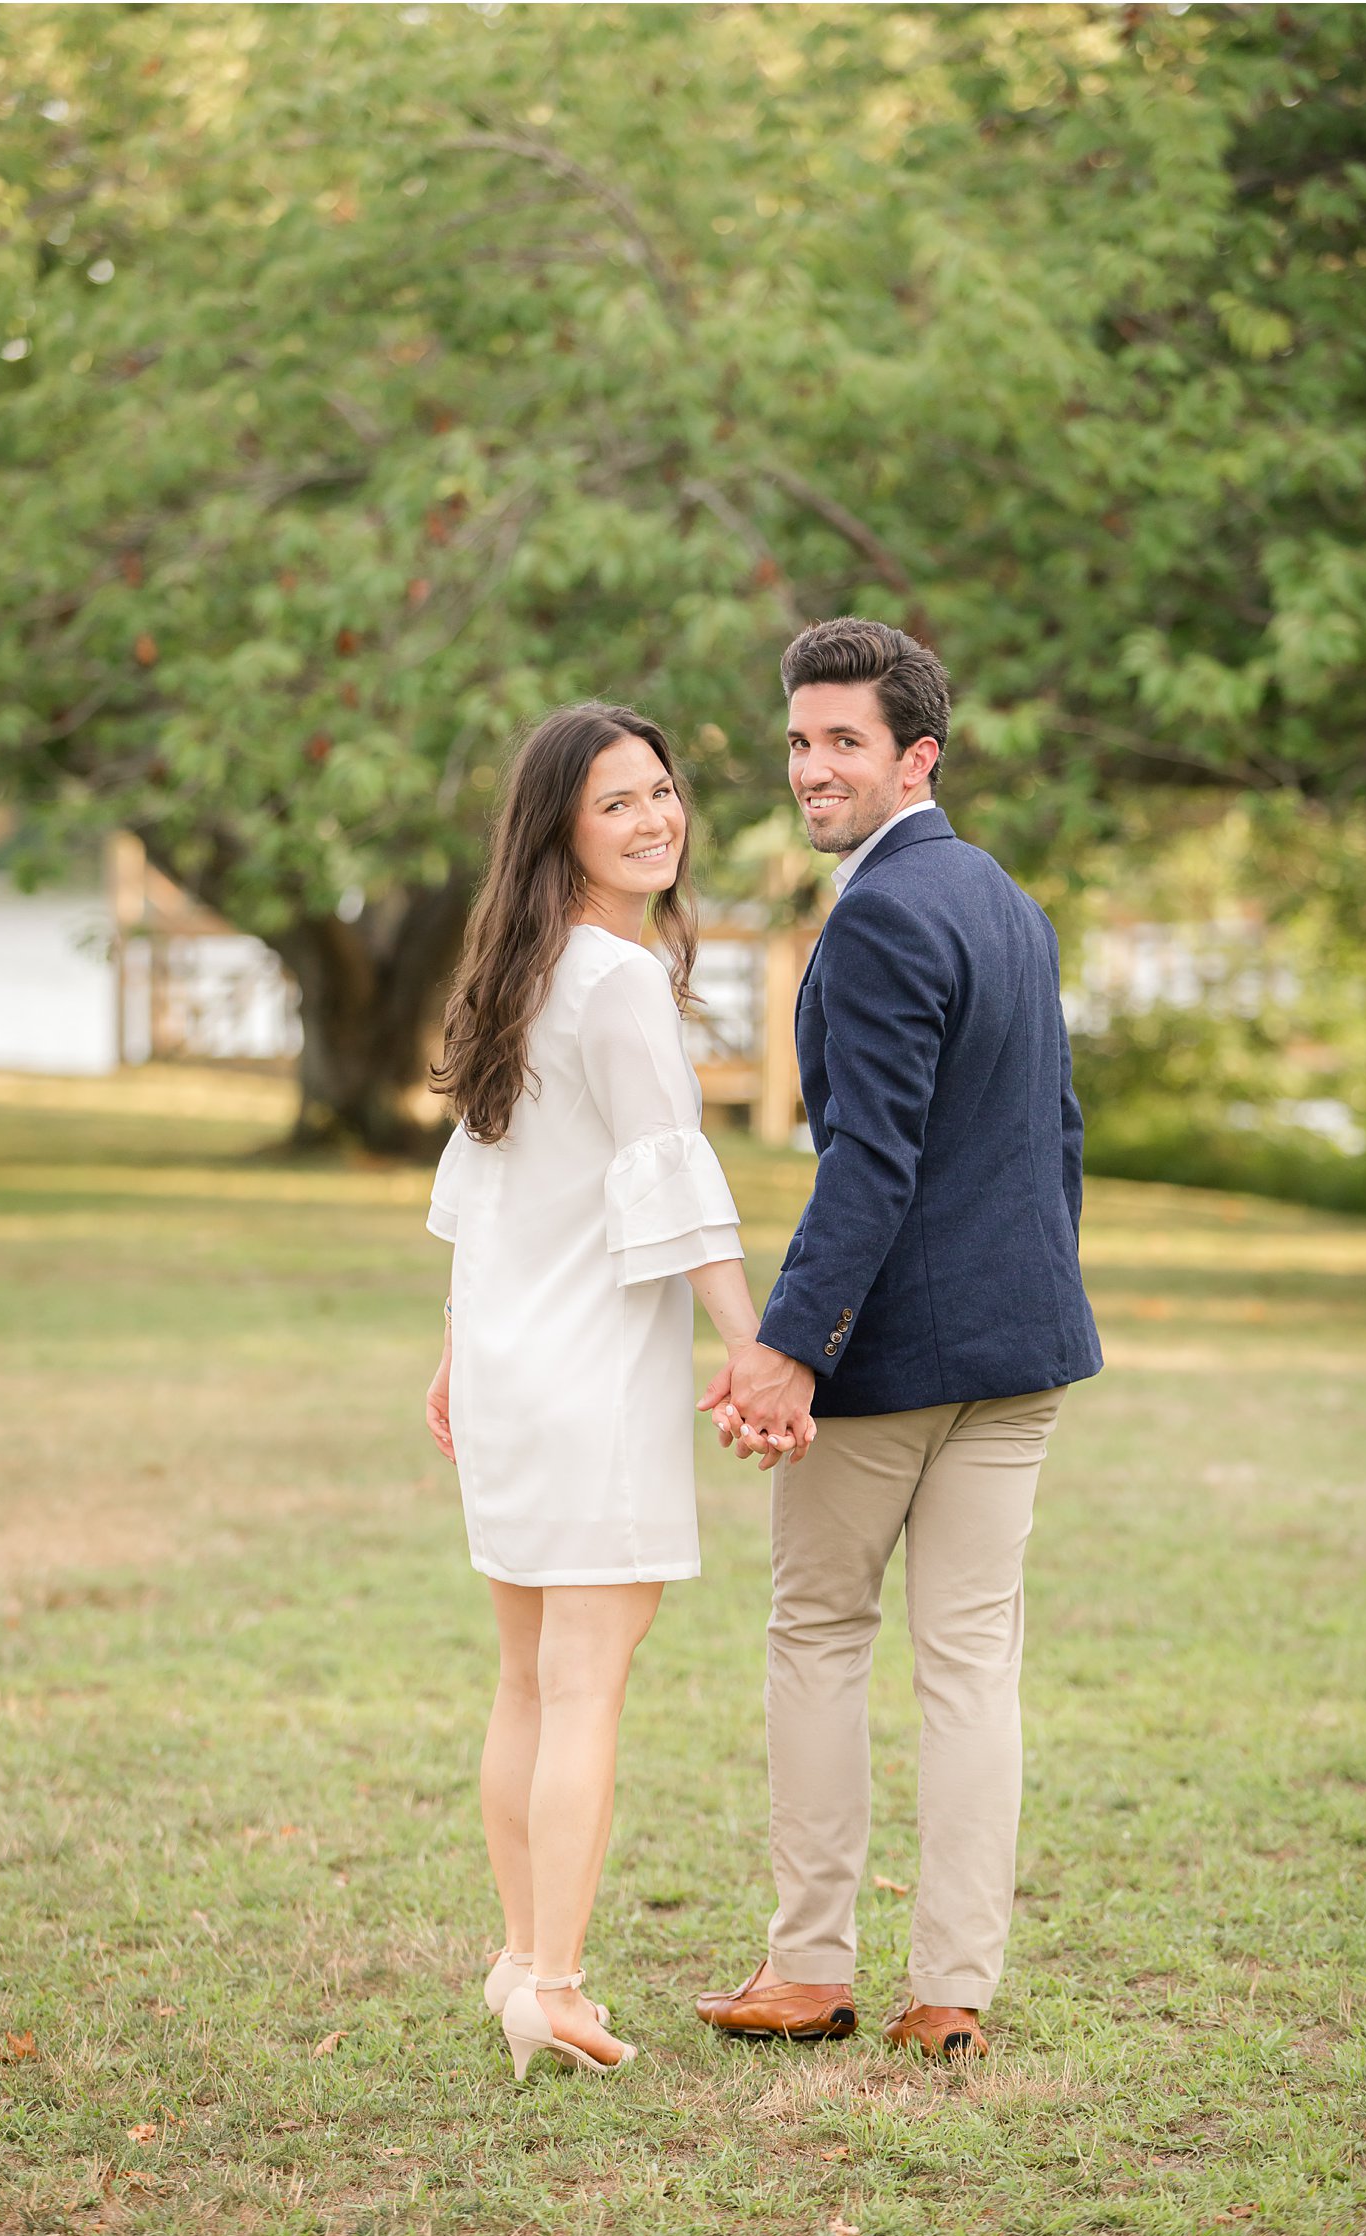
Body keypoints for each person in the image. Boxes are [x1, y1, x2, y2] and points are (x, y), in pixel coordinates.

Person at [695, 618, 1102, 2058]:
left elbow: (869, 1165)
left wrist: (790, 1347)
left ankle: (810, 1969)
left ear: (915, 755)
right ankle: (952, 1995)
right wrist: (1035, 1293)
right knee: (970, 1665)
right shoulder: (1007, 900)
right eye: (799, 740)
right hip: (1023, 1349)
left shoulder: (876, 914)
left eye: (843, 742)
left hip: (891, 1363)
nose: (812, 768)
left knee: (817, 1632)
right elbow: (1054, 1135)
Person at [423, 701, 811, 2084]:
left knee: (528, 1677)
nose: (656, 818)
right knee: (579, 1687)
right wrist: (754, 1343)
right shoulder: (618, 978)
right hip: (582, 1378)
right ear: (560, 830)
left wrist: (461, 1350)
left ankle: (521, 1955)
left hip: (518, 1367)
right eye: (618, 803)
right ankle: (556, 1980)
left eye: (663, 791)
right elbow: (669, 1179)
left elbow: (486, 1179)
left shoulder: (515, 971)